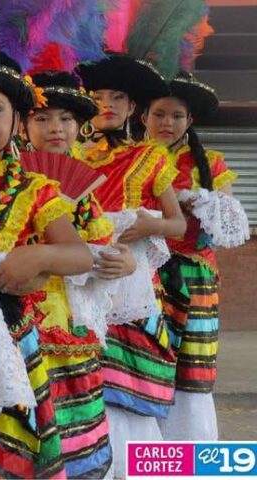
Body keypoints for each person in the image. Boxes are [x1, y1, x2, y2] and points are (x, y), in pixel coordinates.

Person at [0, 47, 93, 479]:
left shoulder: (35, 188)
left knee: (14, 455)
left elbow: (80, 255)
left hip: (13, 346)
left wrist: (39, 253)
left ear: (16, 121)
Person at [20, 68, 137, 478]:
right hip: (24, 322)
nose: (56, 128)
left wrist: (126, 261)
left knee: (78, 438)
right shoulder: (11, 178)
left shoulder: (86, 188)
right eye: (43, 118)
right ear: (23, 124)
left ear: (80, 125)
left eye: (66, 119)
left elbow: (105, 244)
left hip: (74, 323)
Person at [77, 52, 187, 474]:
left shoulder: (150, 156)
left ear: (132, 107)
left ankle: (138, 467)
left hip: (133, 287)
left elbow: (177, 223)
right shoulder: (71, 152)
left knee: (129, 382)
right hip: (84, 279)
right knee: (87, 378)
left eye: (117, 96)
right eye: (98, 95)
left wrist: (147, 225)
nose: (106, 103)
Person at [142, 71, 248, 441]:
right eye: (158, 114)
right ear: (143, 118)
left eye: (175, 116)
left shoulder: (211, 163)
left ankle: (190, 454)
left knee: (191, 367)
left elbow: (231, 223)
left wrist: (199, 201)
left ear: (189, 121)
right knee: (145, 362)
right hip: (143, 278)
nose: (166, 123)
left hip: (195, 278)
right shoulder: (131, 160)